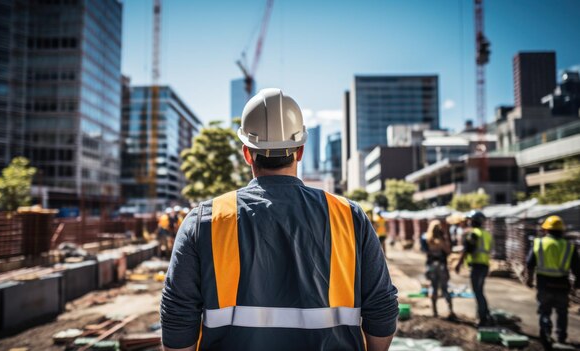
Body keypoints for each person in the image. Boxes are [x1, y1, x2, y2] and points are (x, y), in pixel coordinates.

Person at [161, 89, 398, 351]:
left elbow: (177, 321)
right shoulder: (349, 216)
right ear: (300, 151)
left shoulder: (205, 220)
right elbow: (382, 310)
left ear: (247, 154)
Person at [525, 215, 580, 348]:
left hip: (544, 284)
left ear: (546, 230)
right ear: (562, 231)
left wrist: (530, 279)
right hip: (562, 285)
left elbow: (529, 263)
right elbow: (577, 269)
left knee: (545, 311)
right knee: (562, 312)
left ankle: (546, 336)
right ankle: (561, 338)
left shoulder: (539, 243)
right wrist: (576, 284)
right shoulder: (569, 246)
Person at [454, 210, 492, 326]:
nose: (468, 222)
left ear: (474, 221)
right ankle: (485, 314)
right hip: (484, 265)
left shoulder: (473, 234)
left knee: (478, 292)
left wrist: (458, 264)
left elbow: (466, 250)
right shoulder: (486, 234)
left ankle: (483, 318)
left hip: (477, 266)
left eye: (470, 220)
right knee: (480, 291)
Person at [425, 220, 455, 319]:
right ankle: (450, 310)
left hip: (431, 266)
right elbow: (448, 251)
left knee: (433, 287)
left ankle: (434, 311)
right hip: (441, 266)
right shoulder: (441, 241)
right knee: (444, 288)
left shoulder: (428, 240)